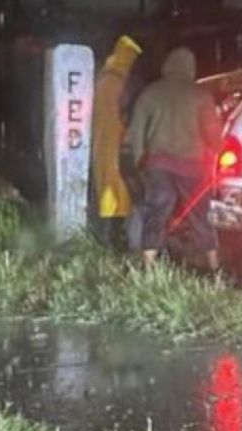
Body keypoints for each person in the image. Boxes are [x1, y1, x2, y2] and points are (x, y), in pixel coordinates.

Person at [126, 47, 222, 271]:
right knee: (200, 216)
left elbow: (136, 129)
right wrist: (214, 151)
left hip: (158, 164)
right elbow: (213, 135)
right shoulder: (201, 95)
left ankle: (148, 268)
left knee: (156, 213)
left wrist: (140, 160)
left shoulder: (151, 92)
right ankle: (215, 268)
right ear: (191, 68)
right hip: (193, 167)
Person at [90, 35, 142, 248]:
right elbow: (128, 113)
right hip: (117, 144)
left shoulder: (101, 78)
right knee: (119, 192)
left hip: (99, 141)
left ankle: (101, 239)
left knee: (103, 189)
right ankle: (114, 242)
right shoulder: (122, 82)